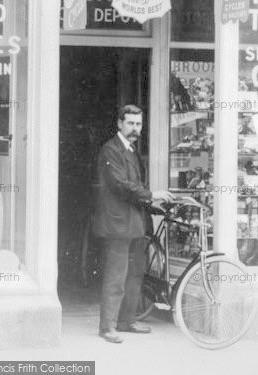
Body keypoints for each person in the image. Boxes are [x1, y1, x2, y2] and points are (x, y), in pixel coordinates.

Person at [93, 104, 174, 344]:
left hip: (135, 223)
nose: (135, 128)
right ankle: (107, 327)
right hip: (117, 225)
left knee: (135, 275)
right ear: (119, 123)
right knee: (116, 276)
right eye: (130, 123)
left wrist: (152, 204)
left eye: (139, 124)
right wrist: (152, 195)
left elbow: (134, 188)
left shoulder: (131, 151)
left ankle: (126, 321)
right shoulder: (111, 150)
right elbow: (120, 185)